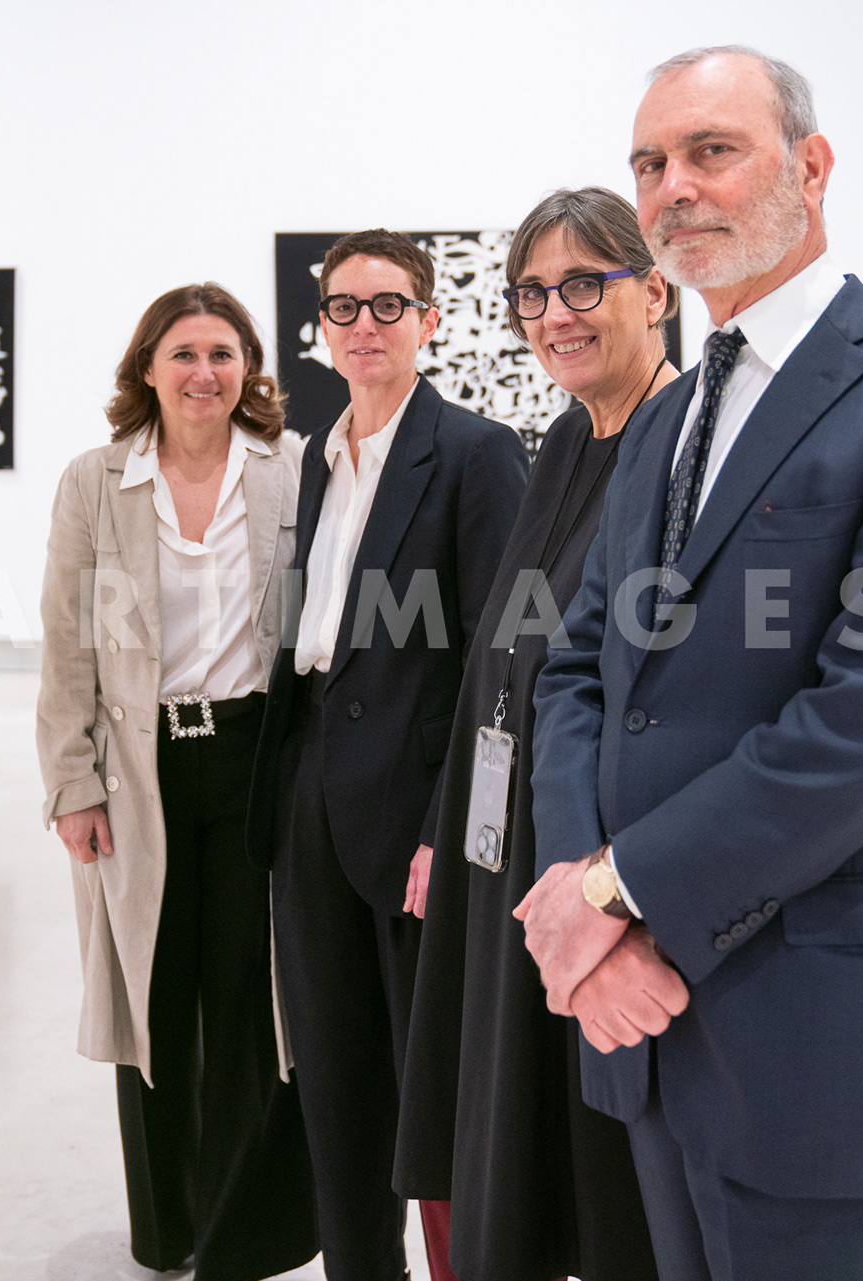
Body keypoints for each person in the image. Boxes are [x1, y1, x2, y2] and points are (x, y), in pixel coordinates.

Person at [519, 46, 863, 1281]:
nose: (673, 187)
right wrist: (578, 893)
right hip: (644, 1024)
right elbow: (581, 667)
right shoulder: (672, 414)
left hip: (817, 1024)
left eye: (710, 152)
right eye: (650, 163)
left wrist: (611, 898)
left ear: (810, 165)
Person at [394, 187, 678, 1281]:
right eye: (532, 293)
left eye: (581, 285)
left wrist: (605, 889)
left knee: (605, 1176)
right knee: (510, 1137)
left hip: (590, 866)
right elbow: (497, 664)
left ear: (652, 291)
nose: (554, 312)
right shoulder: (563, 441)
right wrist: (447, 826)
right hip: (501, 852)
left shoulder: (675, 450)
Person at [244, 229, 529, 1281]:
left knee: (429, 1081)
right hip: (310, 790)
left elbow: (502, 658)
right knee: (333, 1073)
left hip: (414, 808)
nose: (366, 326)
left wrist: (446, 830)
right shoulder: (318, 456)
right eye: (346, 308)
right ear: (320, 330)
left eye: (389, 305)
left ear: (431, 321)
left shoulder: (473, 451)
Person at [36, 283, 319, 1281]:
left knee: (248, 999)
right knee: (156, 997)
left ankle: (245, 1230)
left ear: (249, 368)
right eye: (184, 354)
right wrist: (72, 781)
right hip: (141, 769)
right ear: (147, 368)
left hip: (255, 765)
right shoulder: (96, 481)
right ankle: (168, 1229)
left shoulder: (290, 471)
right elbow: (67, 640)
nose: (205, 373)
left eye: (223, 354)